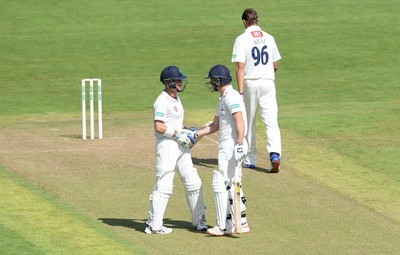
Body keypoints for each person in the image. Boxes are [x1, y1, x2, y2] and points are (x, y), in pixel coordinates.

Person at [145, 65, 207, 234]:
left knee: (193, 181)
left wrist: (186, 130)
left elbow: (173, 123)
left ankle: (199, 221)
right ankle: (153, 225)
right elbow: (159, 127)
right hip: (167, 145)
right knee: (165, 184)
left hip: (180, 145)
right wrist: (177, 134)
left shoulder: (176, 98)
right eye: (178, 80)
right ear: (168, 82)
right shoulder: (162, 101)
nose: (181, 82)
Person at [195, 64, 250, 236]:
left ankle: (225, 225)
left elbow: (239, 120)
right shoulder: (223, 97)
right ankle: (241, 222)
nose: (211, 83)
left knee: (226, 183)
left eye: (213, 80)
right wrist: (194, 133)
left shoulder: (231, 97)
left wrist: (240, 144)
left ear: (219, 81)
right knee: (233, 182)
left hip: (232, 145)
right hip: (229, 144)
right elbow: (215, 126)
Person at [232, 8, 282, 173]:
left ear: (244, 22)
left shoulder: (241, 39)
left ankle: (250, 159)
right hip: (268, 82)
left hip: (250, 83)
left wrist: (240, 92)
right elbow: (275, 65)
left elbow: (240, 67)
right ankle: (275, 154)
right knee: (271, 120)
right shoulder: (269, 37)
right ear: (257, 20)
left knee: (248, 121)